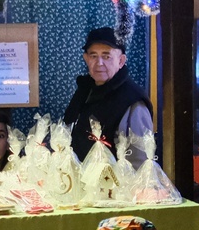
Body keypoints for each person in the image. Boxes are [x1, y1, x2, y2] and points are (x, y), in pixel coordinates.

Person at [63, 27, 153, 169]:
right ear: (86, 59)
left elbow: (139, 164)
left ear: (121, 61)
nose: (99, 63)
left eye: (106, 56)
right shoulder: (85, 90)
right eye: (93, 56)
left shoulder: (133, 100)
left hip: (113, 182)